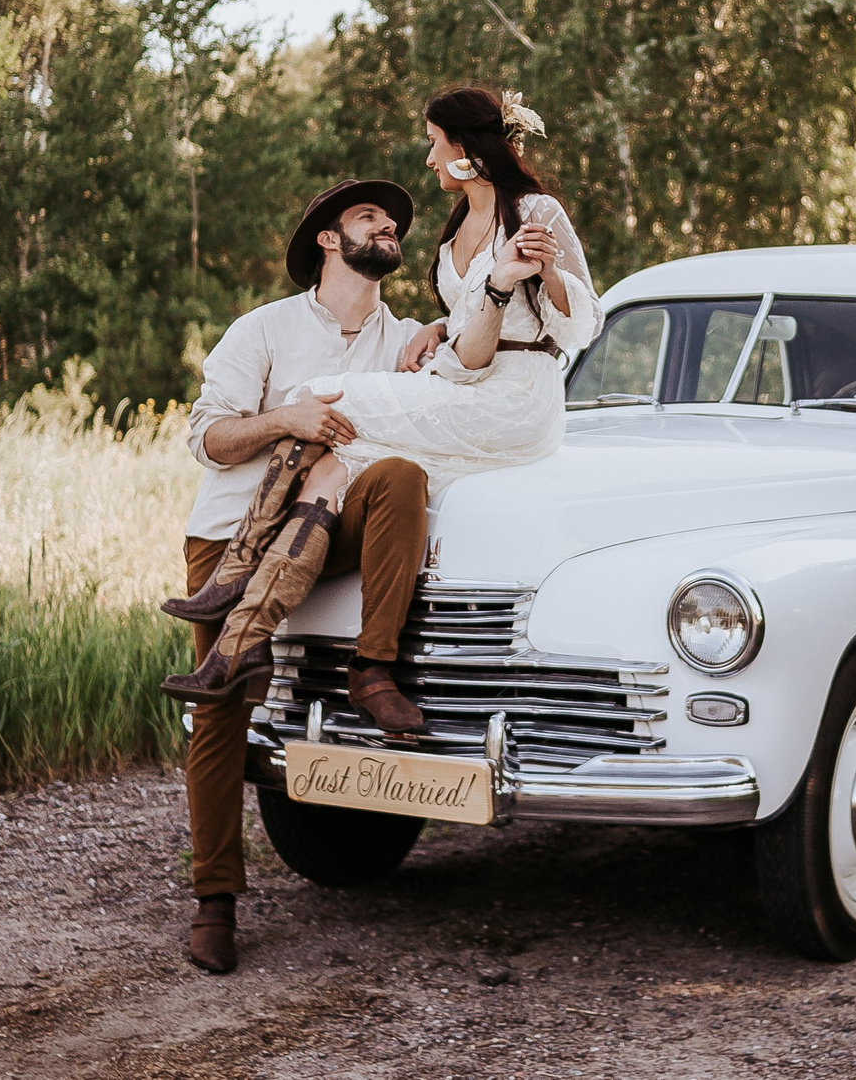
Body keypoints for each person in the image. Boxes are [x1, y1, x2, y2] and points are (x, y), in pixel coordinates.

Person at [162, 84, 601, 714]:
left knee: (320, 397)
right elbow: (476, 342)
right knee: (340, 454)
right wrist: (447, 325)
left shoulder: (535, 212)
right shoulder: (454, 235)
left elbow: (579, 328)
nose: (427, 158)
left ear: (464, 146)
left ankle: (237, 581)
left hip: (516, 400)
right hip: (469, 380)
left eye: (431, 142)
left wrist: (542, 274)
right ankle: (248, 635)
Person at [161, 177, 444, 975]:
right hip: (228, 537)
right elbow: (207, 438)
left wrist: (446, 328)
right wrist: (287, 418)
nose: (387, 225)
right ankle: (215, 899)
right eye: (369, 216)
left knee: (398, 475)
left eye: (392, 221)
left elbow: (457, 381)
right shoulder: (264, 329)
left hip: (334, 524)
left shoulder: (402, 340)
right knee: (221, 708)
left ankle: (371, 666)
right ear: (328, 238)